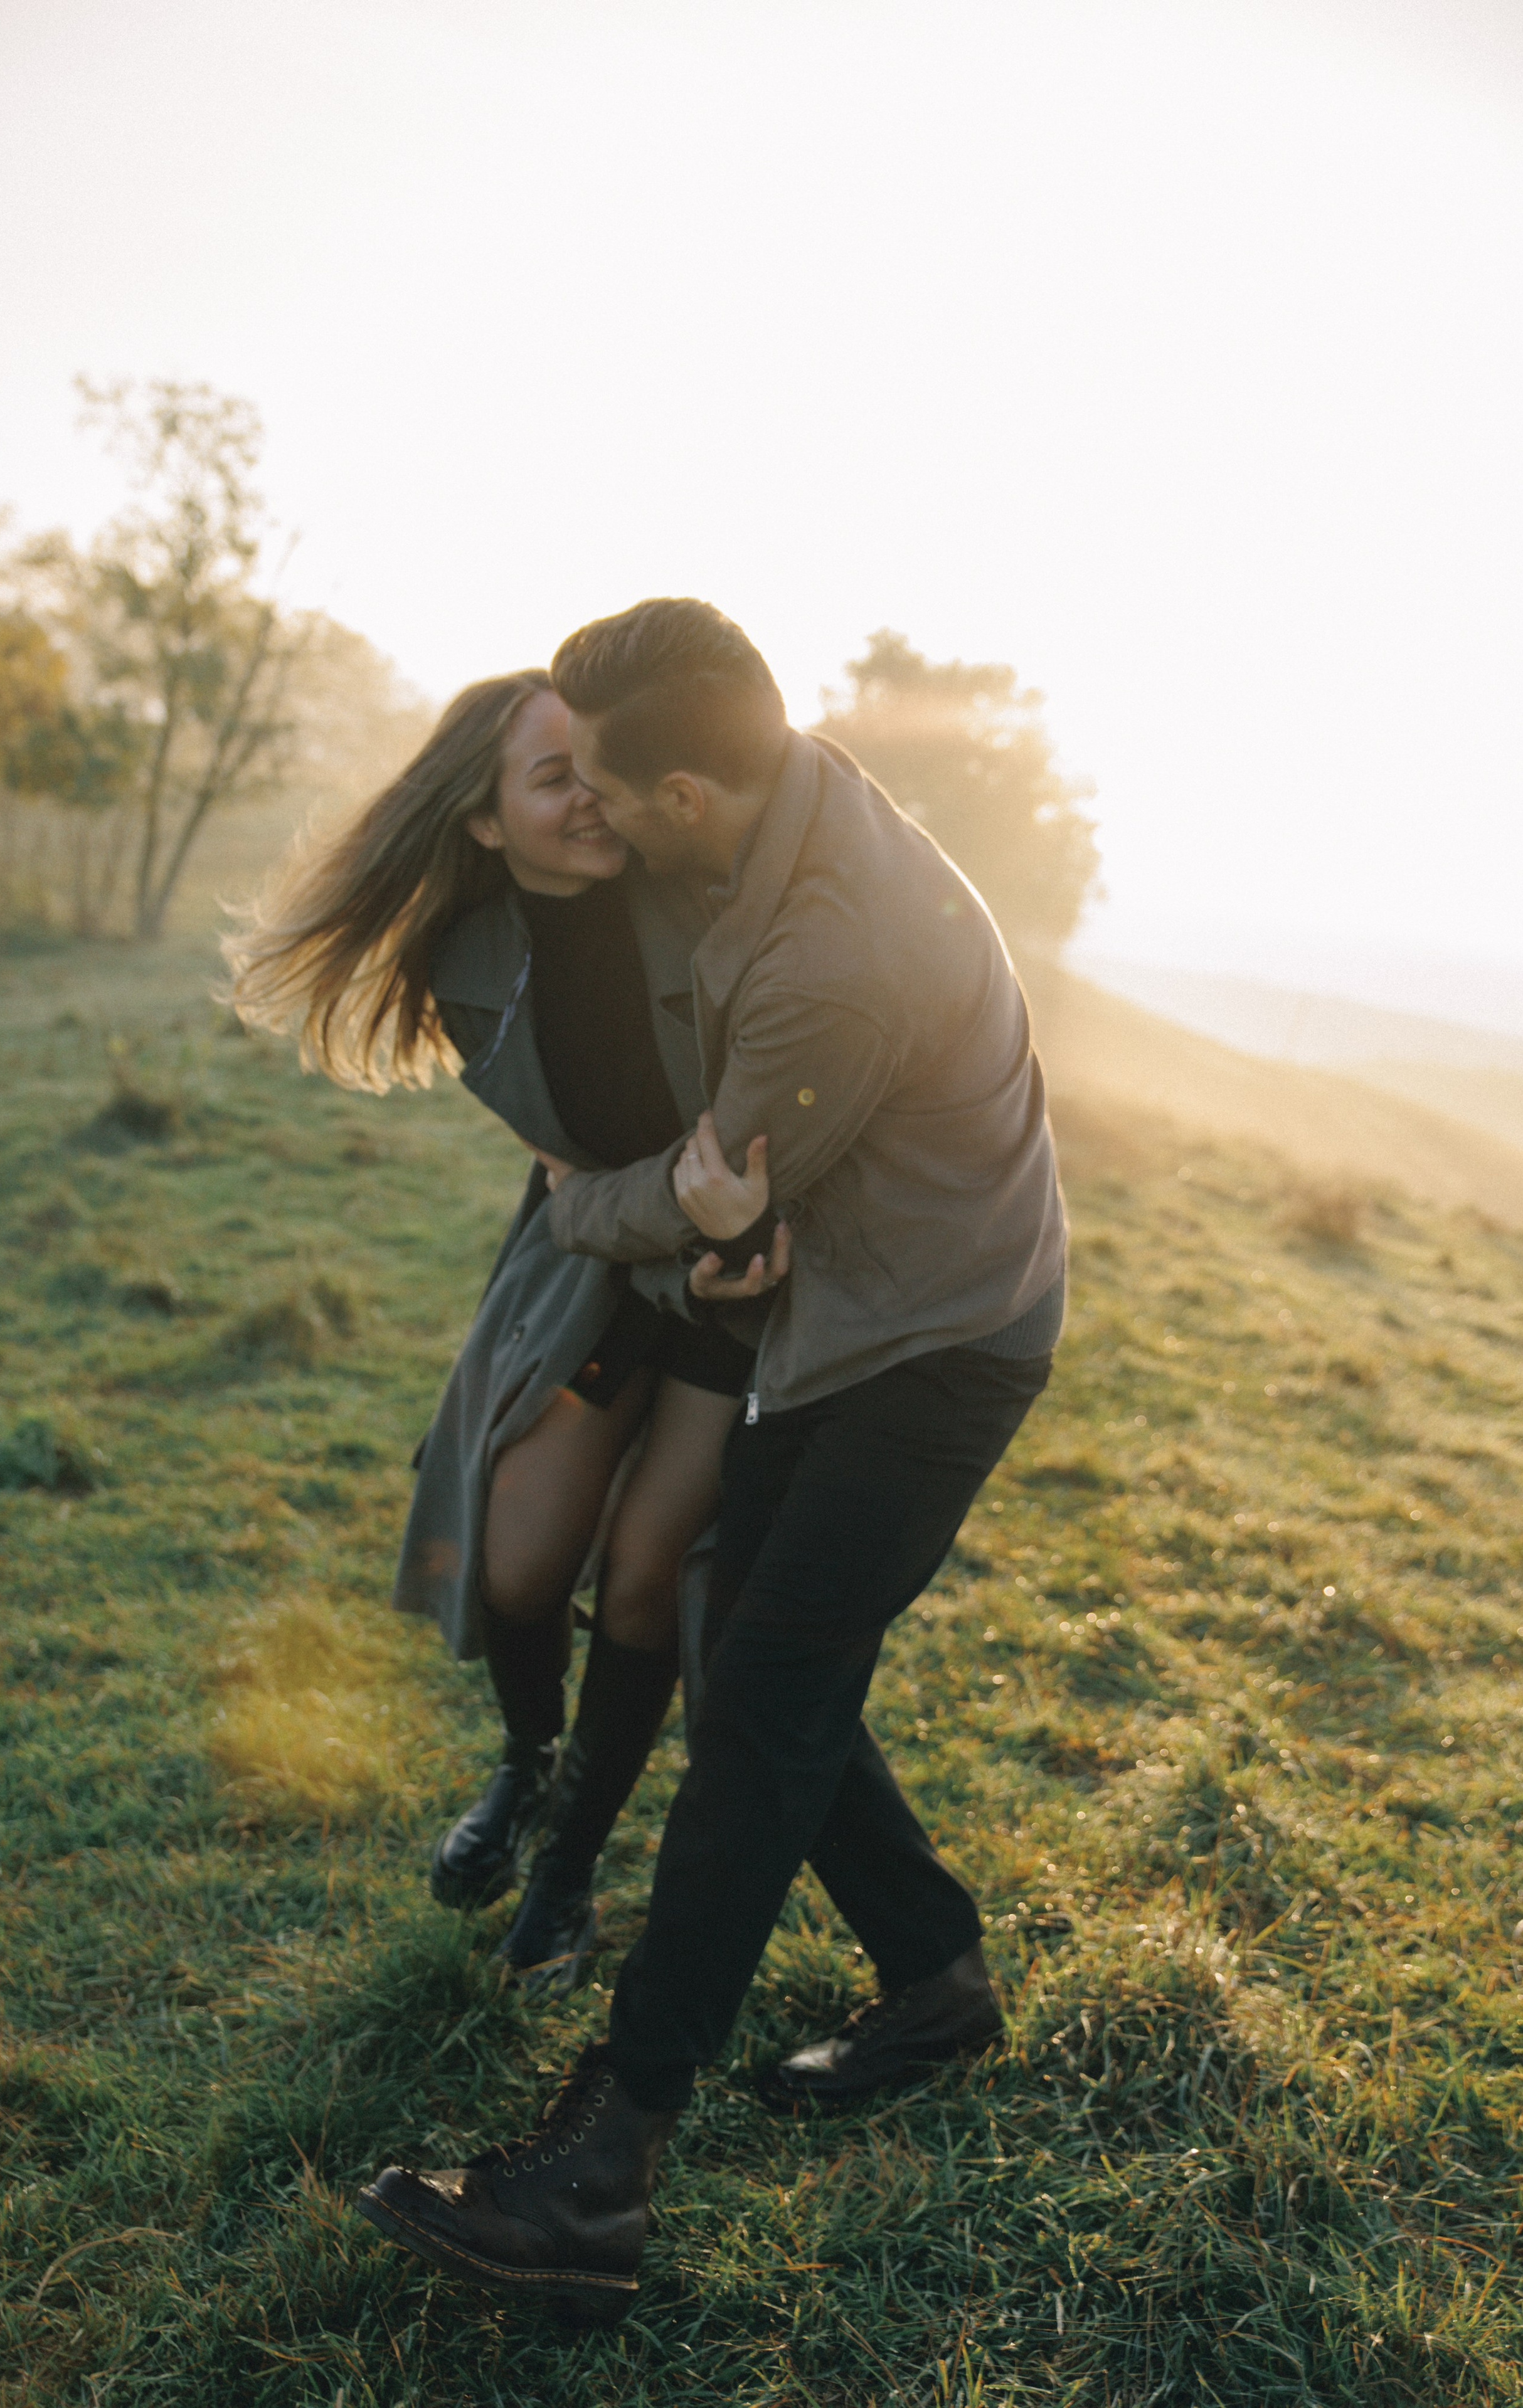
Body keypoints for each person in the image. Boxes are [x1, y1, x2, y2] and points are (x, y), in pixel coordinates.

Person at [358, 599, 1067, 2325]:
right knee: (742, 1637)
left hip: (933, 1345)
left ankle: (598, 2175)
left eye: (606, 789)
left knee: (757, 1694)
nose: (591, 817)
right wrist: (685, 1212)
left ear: (682, 794)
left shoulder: (832, 956)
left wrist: (594, 1209)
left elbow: (700, 1197)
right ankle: (935, 1977)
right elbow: (705, 1197)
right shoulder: (763, 805)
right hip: (839, 1308)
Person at [226, 669, 784, 1992]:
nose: (593, 798)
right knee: (520, 1565)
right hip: (600, 1264)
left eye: (596, 767)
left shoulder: (692, 894)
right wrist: (607, 1205)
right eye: (553, 779)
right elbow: (558, 1153)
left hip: (737, 1283)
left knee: (644, 1577)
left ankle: (567, 1871)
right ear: (485, 821)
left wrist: (730, 1236)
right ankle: (527, 1762)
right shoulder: (466, 956)